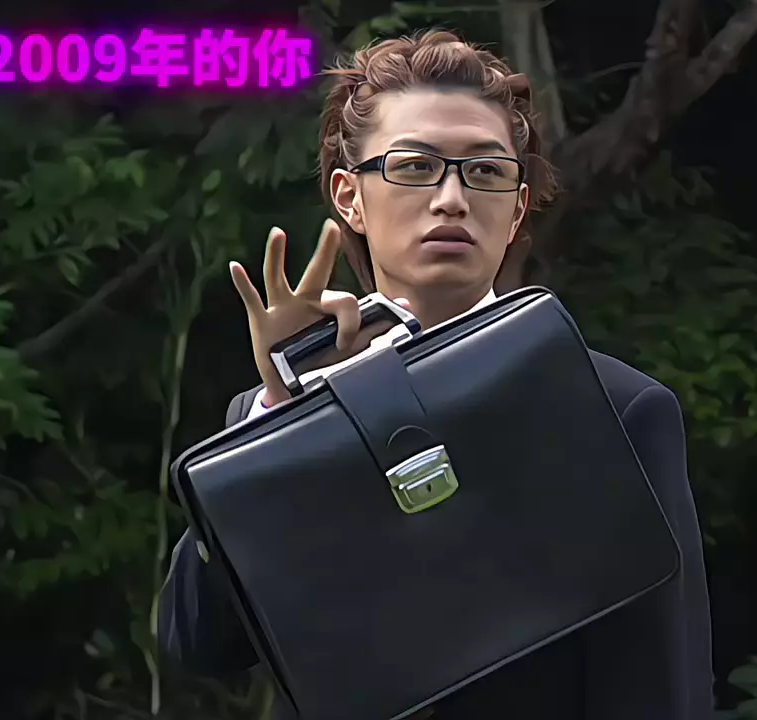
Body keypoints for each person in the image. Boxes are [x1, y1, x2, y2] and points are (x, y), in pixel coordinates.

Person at [158, 29, 714, 720]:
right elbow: (198, 643)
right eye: (416, 166)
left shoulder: (614, 405)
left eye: (485, 172)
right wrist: (288, 412)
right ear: (349, 196)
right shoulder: (270, 417)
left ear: (517, 208)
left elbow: (663, 679)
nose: (452, 198)